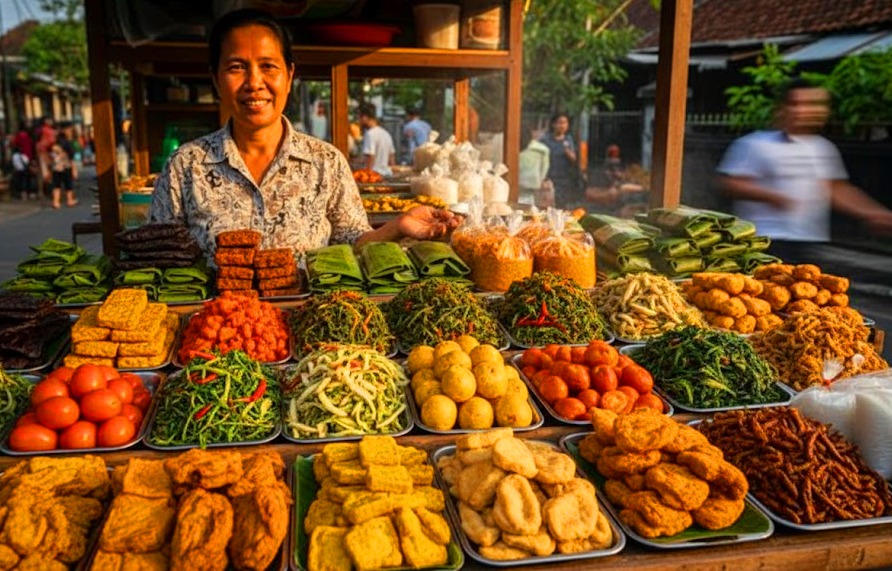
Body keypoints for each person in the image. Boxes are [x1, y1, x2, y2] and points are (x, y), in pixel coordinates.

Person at [150, 9, 458, 259]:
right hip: (219, 329)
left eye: (269, 66)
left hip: (309, 328)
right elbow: (160, 257)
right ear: (215, 79)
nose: (254, 82)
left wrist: (397, 226)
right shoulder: (185, 166)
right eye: (236, 67)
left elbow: (353, 244)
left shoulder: (326, 162)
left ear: (289, 76)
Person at [717, 78, 892, 263]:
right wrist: (772, 196)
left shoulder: (823, 148)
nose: (805, 110)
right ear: (782, 109)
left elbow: (836, 190)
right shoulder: (755, 144)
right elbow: (730, 184)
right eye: (797, 104)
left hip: (808, 241)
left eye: (815, 104)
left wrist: (873, 213)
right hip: (764, 241)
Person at [539, 112, 583, 208]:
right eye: (560, 122)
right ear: (553, 124)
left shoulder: (568, 139)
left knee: (562, 206)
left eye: (565, 123)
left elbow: (574, 159)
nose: (562, 126)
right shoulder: (545, 140)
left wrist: (568, 152)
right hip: (549, 178)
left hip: (564, 180)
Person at [358, 102, 395, 177]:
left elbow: (370, 156)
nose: (359, 121)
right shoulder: (386, 133)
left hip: (374, 175)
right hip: (387, 174)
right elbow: (391, 159)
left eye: (360, 118)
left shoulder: (370, 134)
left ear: (365, 117)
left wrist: (367, 175)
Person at [518, 124, 550, 206]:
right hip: (529, 191)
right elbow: (543, 172)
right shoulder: (542, 149)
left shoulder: (541, 150)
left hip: (529, 192)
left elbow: (543, 172)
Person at [50, 121, 78, 209]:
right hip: (65, 166)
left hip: (56, 166)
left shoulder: (56, 141)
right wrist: (74, 169)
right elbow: (71, 157)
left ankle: (56, 202)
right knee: (68, 183)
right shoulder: (67, 142)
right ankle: (70, 200)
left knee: (56, 184)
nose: (70, 131)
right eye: (69, 130)